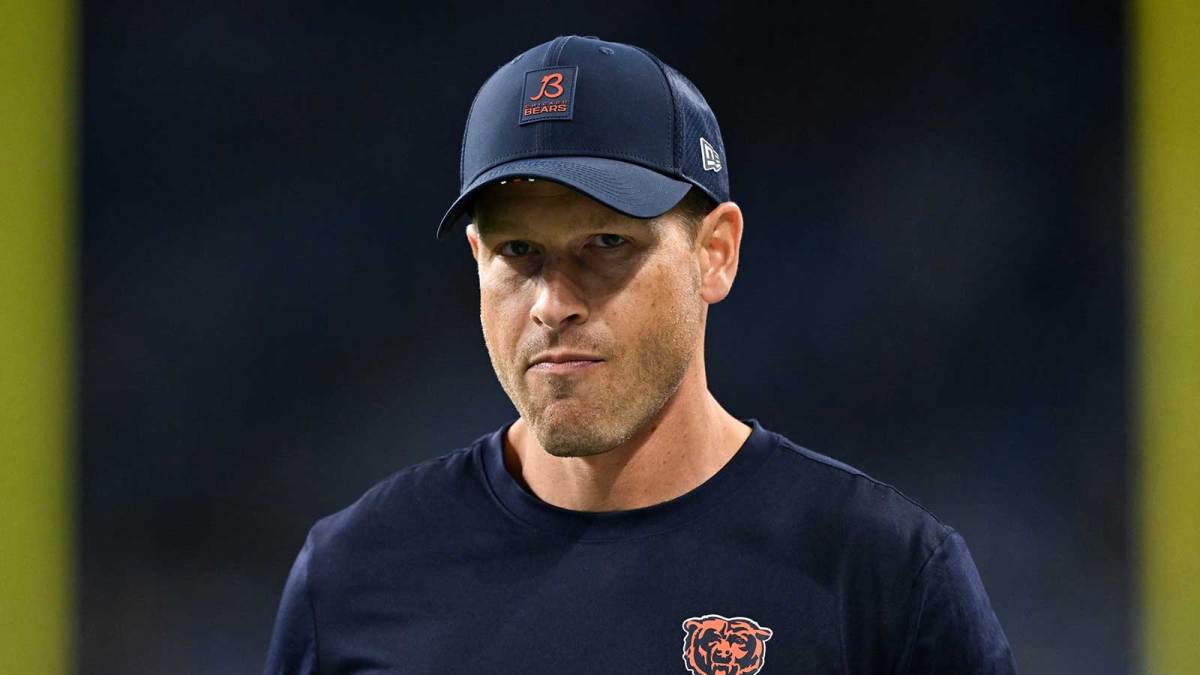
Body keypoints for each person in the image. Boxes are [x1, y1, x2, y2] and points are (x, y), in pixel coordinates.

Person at [262, 35, 1017, 674]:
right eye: (517, 251)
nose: (552, 301)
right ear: (475, 259)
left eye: (607, 243)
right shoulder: (353, 578)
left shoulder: (882, 579)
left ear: (715, 253)